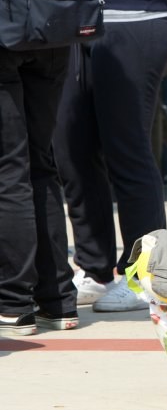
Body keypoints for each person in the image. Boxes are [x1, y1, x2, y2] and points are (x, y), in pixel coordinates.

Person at [52, 0, 167, 312]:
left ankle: (143, 277)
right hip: (72, 23)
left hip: (134, 17)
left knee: (127, 152)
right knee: (71, 151)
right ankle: (95, 269)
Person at [0, 47, 78, 335]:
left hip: (7, 33)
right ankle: (58, 301)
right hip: (50, 32)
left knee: (9, 169)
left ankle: (13, 304)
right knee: (40, 165)